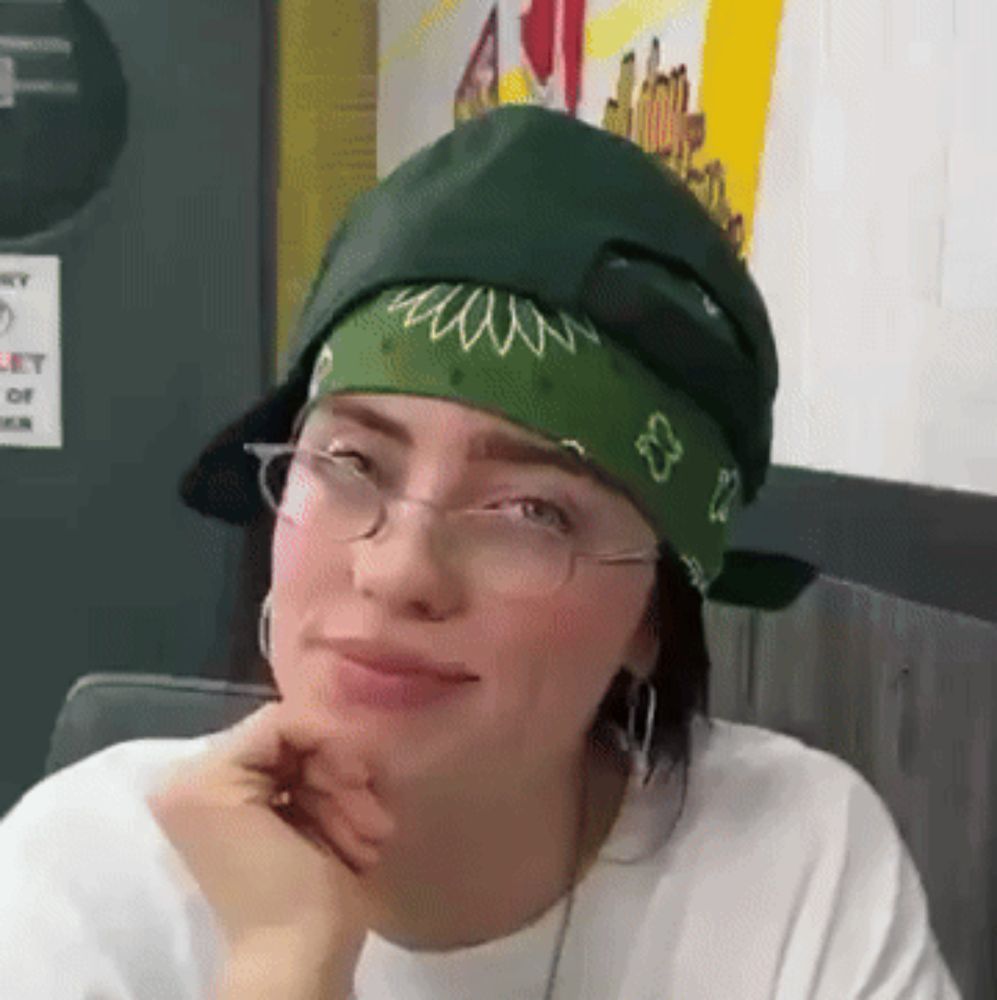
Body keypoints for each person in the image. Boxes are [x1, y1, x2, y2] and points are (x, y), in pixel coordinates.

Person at [0, 106, 961, 999]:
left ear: (651, 618)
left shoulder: (788, 864)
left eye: (532, 511)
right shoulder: (85, 881)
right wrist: (282, 961)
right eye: (351, 461)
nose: (398, 569)